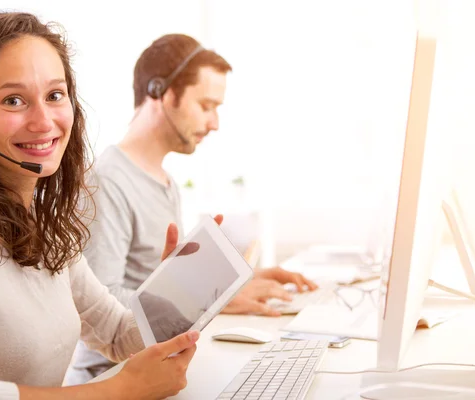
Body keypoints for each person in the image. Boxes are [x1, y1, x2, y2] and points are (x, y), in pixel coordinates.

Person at [0, 12, 204, 400]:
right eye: (13, 100)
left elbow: (116, 333)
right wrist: (119, 390)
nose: (44, 121)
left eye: (55, 95)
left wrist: (177, 292)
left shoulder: (41, 221)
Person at [64, 34, 318, 384]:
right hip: (113, 376)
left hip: (160, 365)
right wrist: (202, 298)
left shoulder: (165, 184)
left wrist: (234, 282)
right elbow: (98, 303)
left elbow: (153, 280)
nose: (214, 123)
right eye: (206, 105)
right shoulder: (107, 181)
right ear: (160, 92)